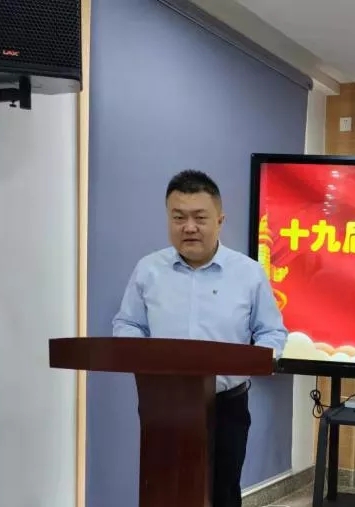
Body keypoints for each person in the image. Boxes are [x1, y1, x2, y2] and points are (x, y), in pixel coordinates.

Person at [112, 169, 288, 507]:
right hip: (164, 406)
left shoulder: (248, 273)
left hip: (226, 405)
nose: (189, 227)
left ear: (219, 220)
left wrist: (261, 357)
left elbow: (271, 331)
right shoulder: (148, 270)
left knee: (222, 493)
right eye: (178, 217)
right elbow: (128, 324)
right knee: (163, 491)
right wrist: (139, 352)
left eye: (199, 217)